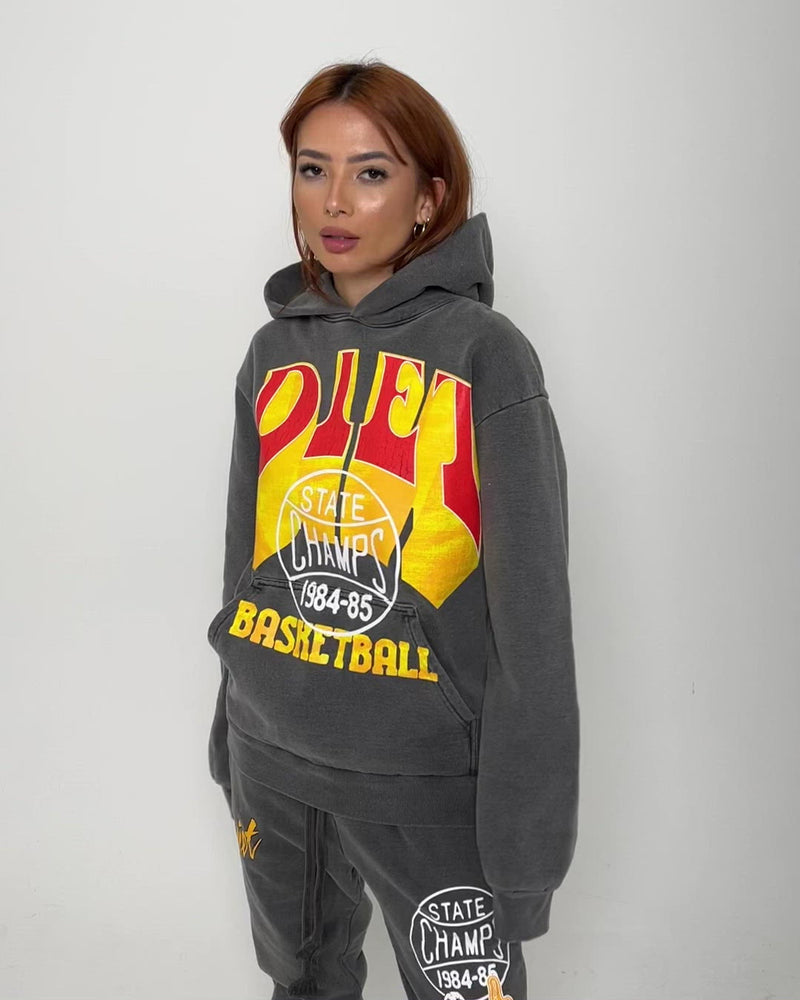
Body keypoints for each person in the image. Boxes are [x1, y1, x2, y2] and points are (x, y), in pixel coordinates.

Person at [206, 58, 580, 1000]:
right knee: (302, 983)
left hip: (424, 785)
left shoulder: (485, 357)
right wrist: (228, 722)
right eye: (312, 168)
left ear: (428, 199)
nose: (334, 201)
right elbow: (245, 557)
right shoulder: (272, 352)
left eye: (371, 173)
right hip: (273, 765)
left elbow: (534, 622)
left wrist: (527, 846)